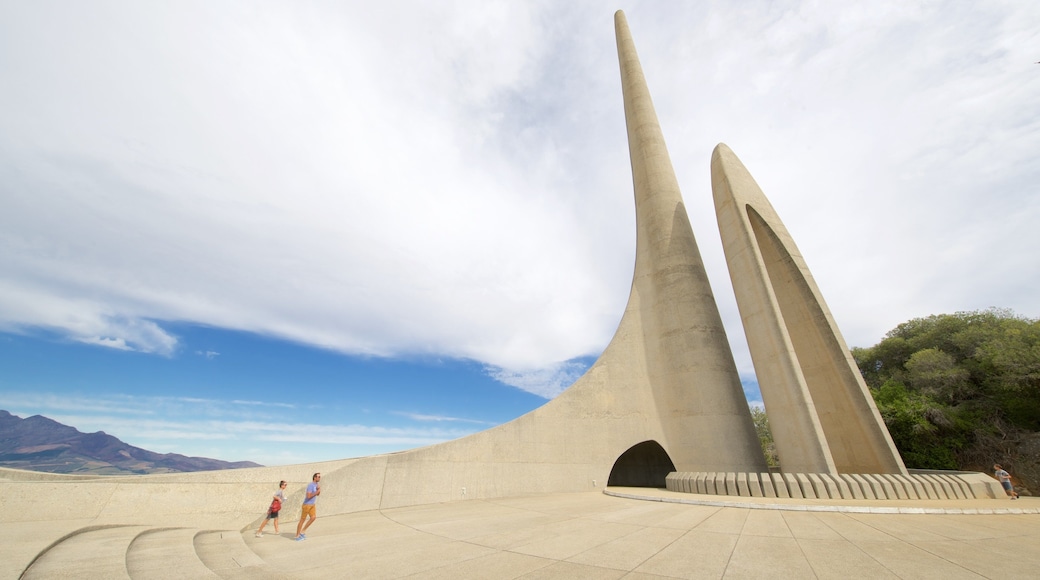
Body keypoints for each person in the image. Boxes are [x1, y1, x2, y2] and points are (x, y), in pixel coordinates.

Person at [295, 472, 321, 540]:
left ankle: (302, 531)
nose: (319, 478)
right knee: (302, 520)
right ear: (314, 478)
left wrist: (318, 489)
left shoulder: (317, 485)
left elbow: (318, 494)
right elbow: (308, 496)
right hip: (307, 505)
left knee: (313, 517)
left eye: (319, 477)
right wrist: (316, 492)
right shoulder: (311, 485)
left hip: (312, 505)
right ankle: (297, 536)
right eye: (318, 477)